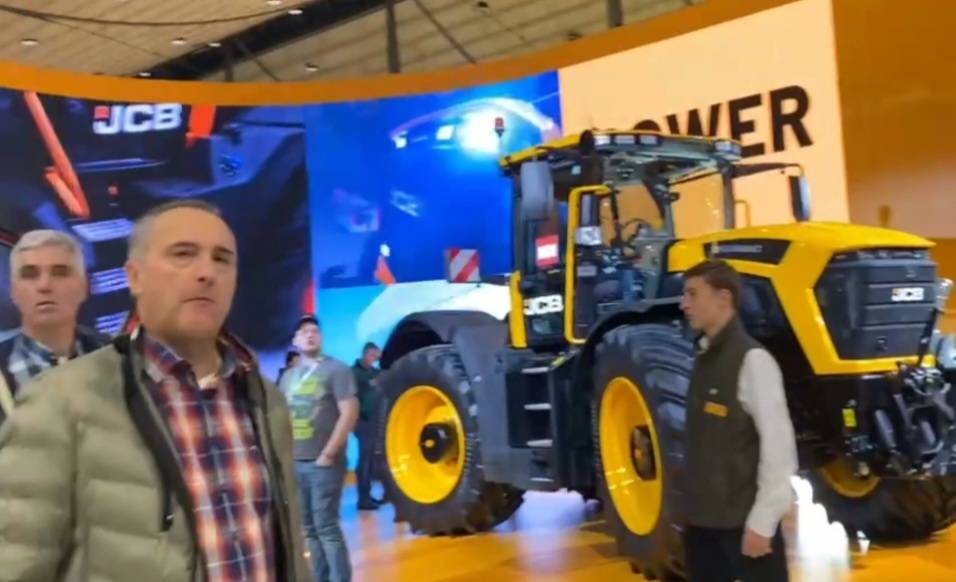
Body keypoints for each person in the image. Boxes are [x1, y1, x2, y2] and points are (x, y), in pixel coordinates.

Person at [0, 199, 310, 581]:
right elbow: (19, 561)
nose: (206, 272)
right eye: (183, 254)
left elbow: (288, 545)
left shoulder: (266, 400)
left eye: (221, 259)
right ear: (135, 277)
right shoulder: (60, 400)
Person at [679, 259, 797, 582]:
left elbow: (779, 449)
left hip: (745, 529)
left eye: (693, 294)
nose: (684, 304)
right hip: (703, 529)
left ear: (723, 298)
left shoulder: (753, 360)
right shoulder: (703, 358)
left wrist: (762, 523)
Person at [0, 229, 108, 427]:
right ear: (14, 291)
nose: (44, 285)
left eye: (60, 272)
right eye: (30, 274)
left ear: (84, 287)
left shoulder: (120, 357)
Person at [279, 315, 359, 582]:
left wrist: (329, 453)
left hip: (324, 463)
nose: (310, 335)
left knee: (326, 527)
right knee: (309, 529)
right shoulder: (288, 377)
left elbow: (349, 412)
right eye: (304, 332)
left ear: (321, 337)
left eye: (314, 331)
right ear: (295, 340)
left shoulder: (337, 370)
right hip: (296, 462)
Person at [352, 341, 383, 510]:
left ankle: (368, 495)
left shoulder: (376, 373)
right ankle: (363, 499)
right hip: (362, 422)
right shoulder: (353, 373)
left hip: (375, 421)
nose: (374, 359)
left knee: (371, 461)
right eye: (372, 356)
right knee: (364, 461)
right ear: (365, 354)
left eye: (377, 357)